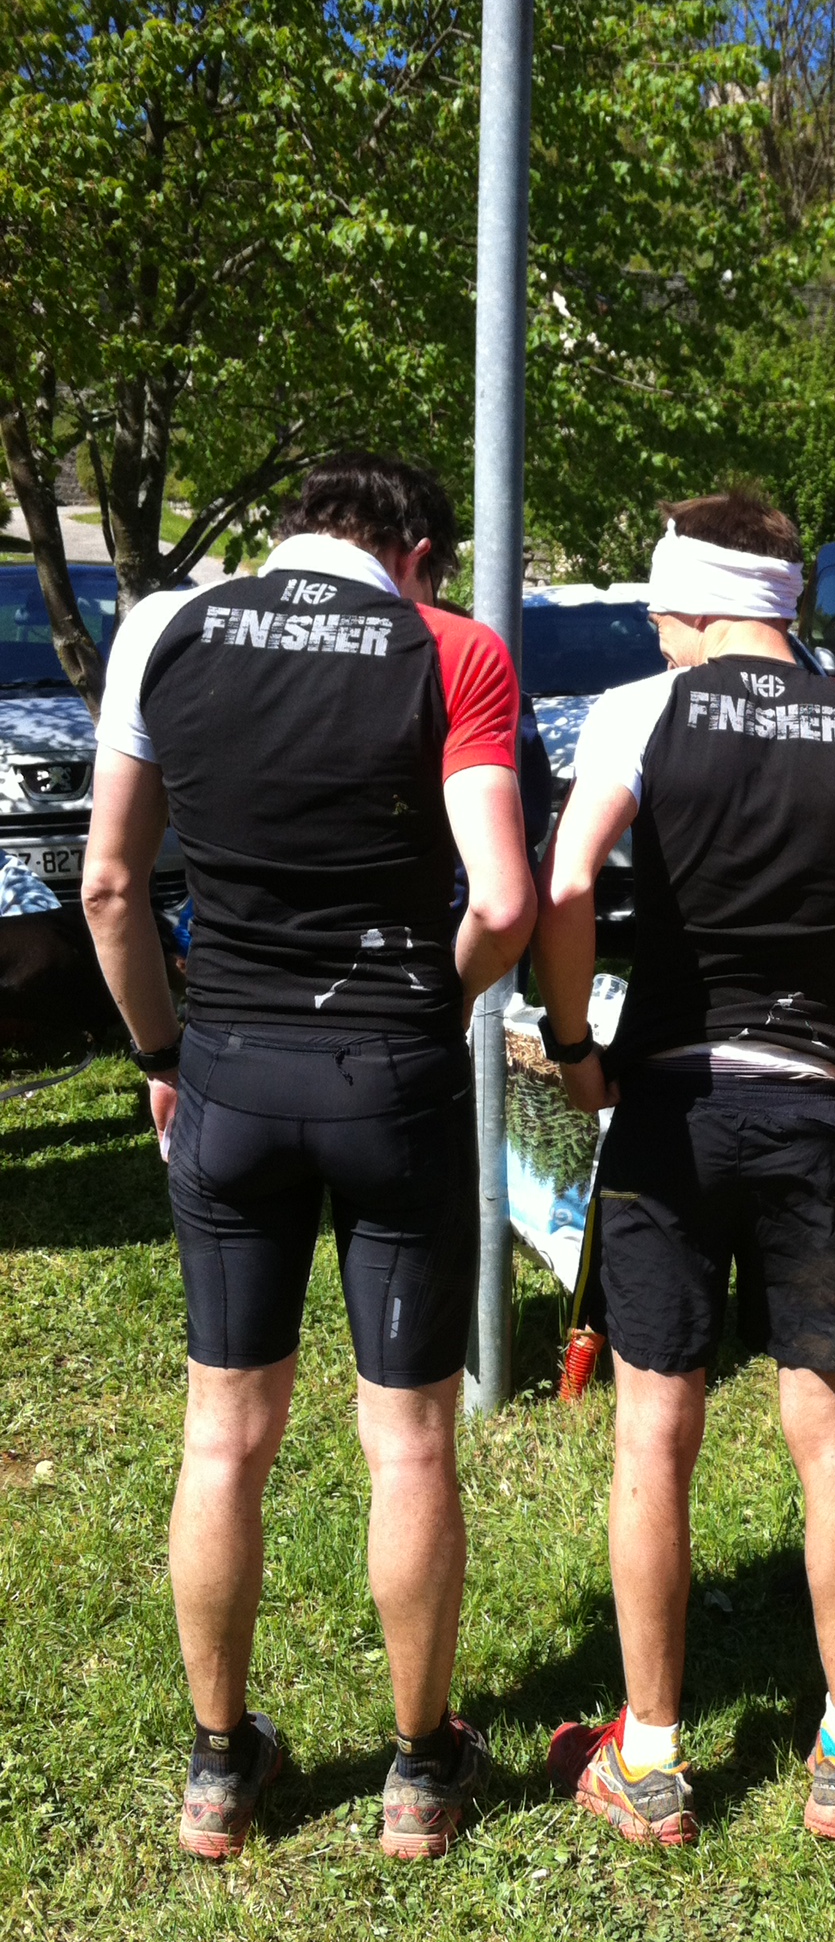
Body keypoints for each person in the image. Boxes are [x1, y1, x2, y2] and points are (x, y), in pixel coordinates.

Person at [83, 453, 536, 1864]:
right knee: (408, 1435)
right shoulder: (449, 647)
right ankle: (419, 1770)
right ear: (417, 557)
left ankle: (219, 1769)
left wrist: (163, 1054)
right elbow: (504, 901)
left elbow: (110, 885)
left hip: (226, 1072)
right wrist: (426, 1006)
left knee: (225, 1434)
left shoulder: (164, 626)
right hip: (388, 1077)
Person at [533, 485, 835, 1847]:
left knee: (653, 1429)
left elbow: (565, 886)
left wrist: (574, 1046)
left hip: (672, 1109)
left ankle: (654, 1758)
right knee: (828, 1428)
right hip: (813, 1110)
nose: (654, 631)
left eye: (658, 611)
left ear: (694, 602)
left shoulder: (640, 711)